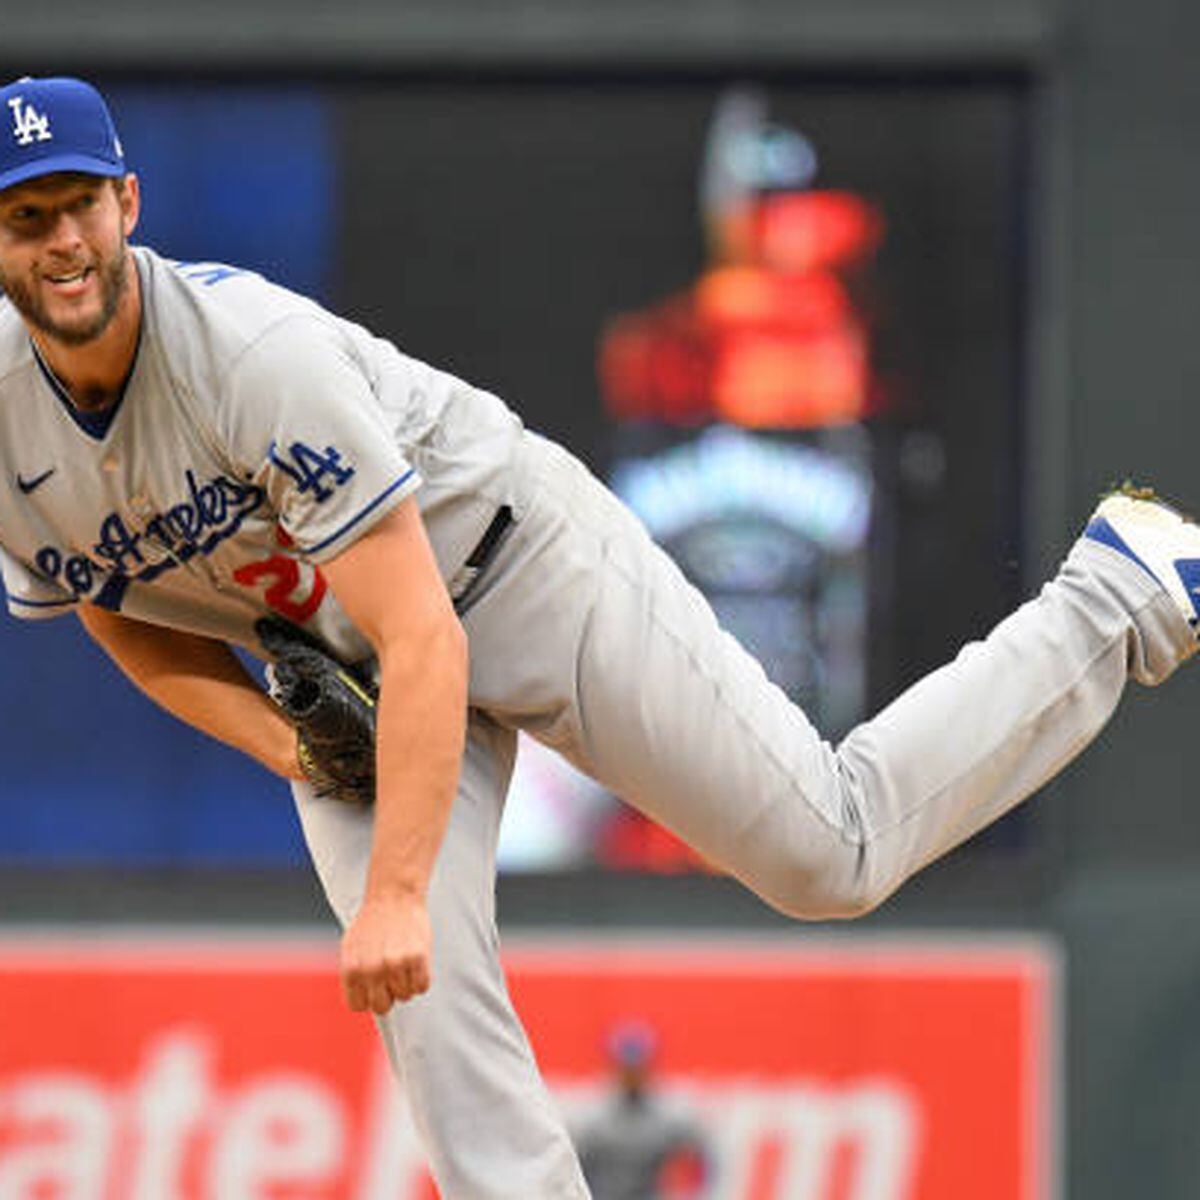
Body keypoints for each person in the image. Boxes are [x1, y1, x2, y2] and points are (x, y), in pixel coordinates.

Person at [0, 75, 1196, 1197]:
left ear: (129, 203)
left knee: (829, 855)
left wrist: (400, 889)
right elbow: (114, 602)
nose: (62, 242)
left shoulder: (250, 357)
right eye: (27, 214)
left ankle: (1116, 592)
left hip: (514, 574)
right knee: (424, 1000)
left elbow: (424, 634)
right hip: (355, 670)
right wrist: (290, 749)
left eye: (82, 206)